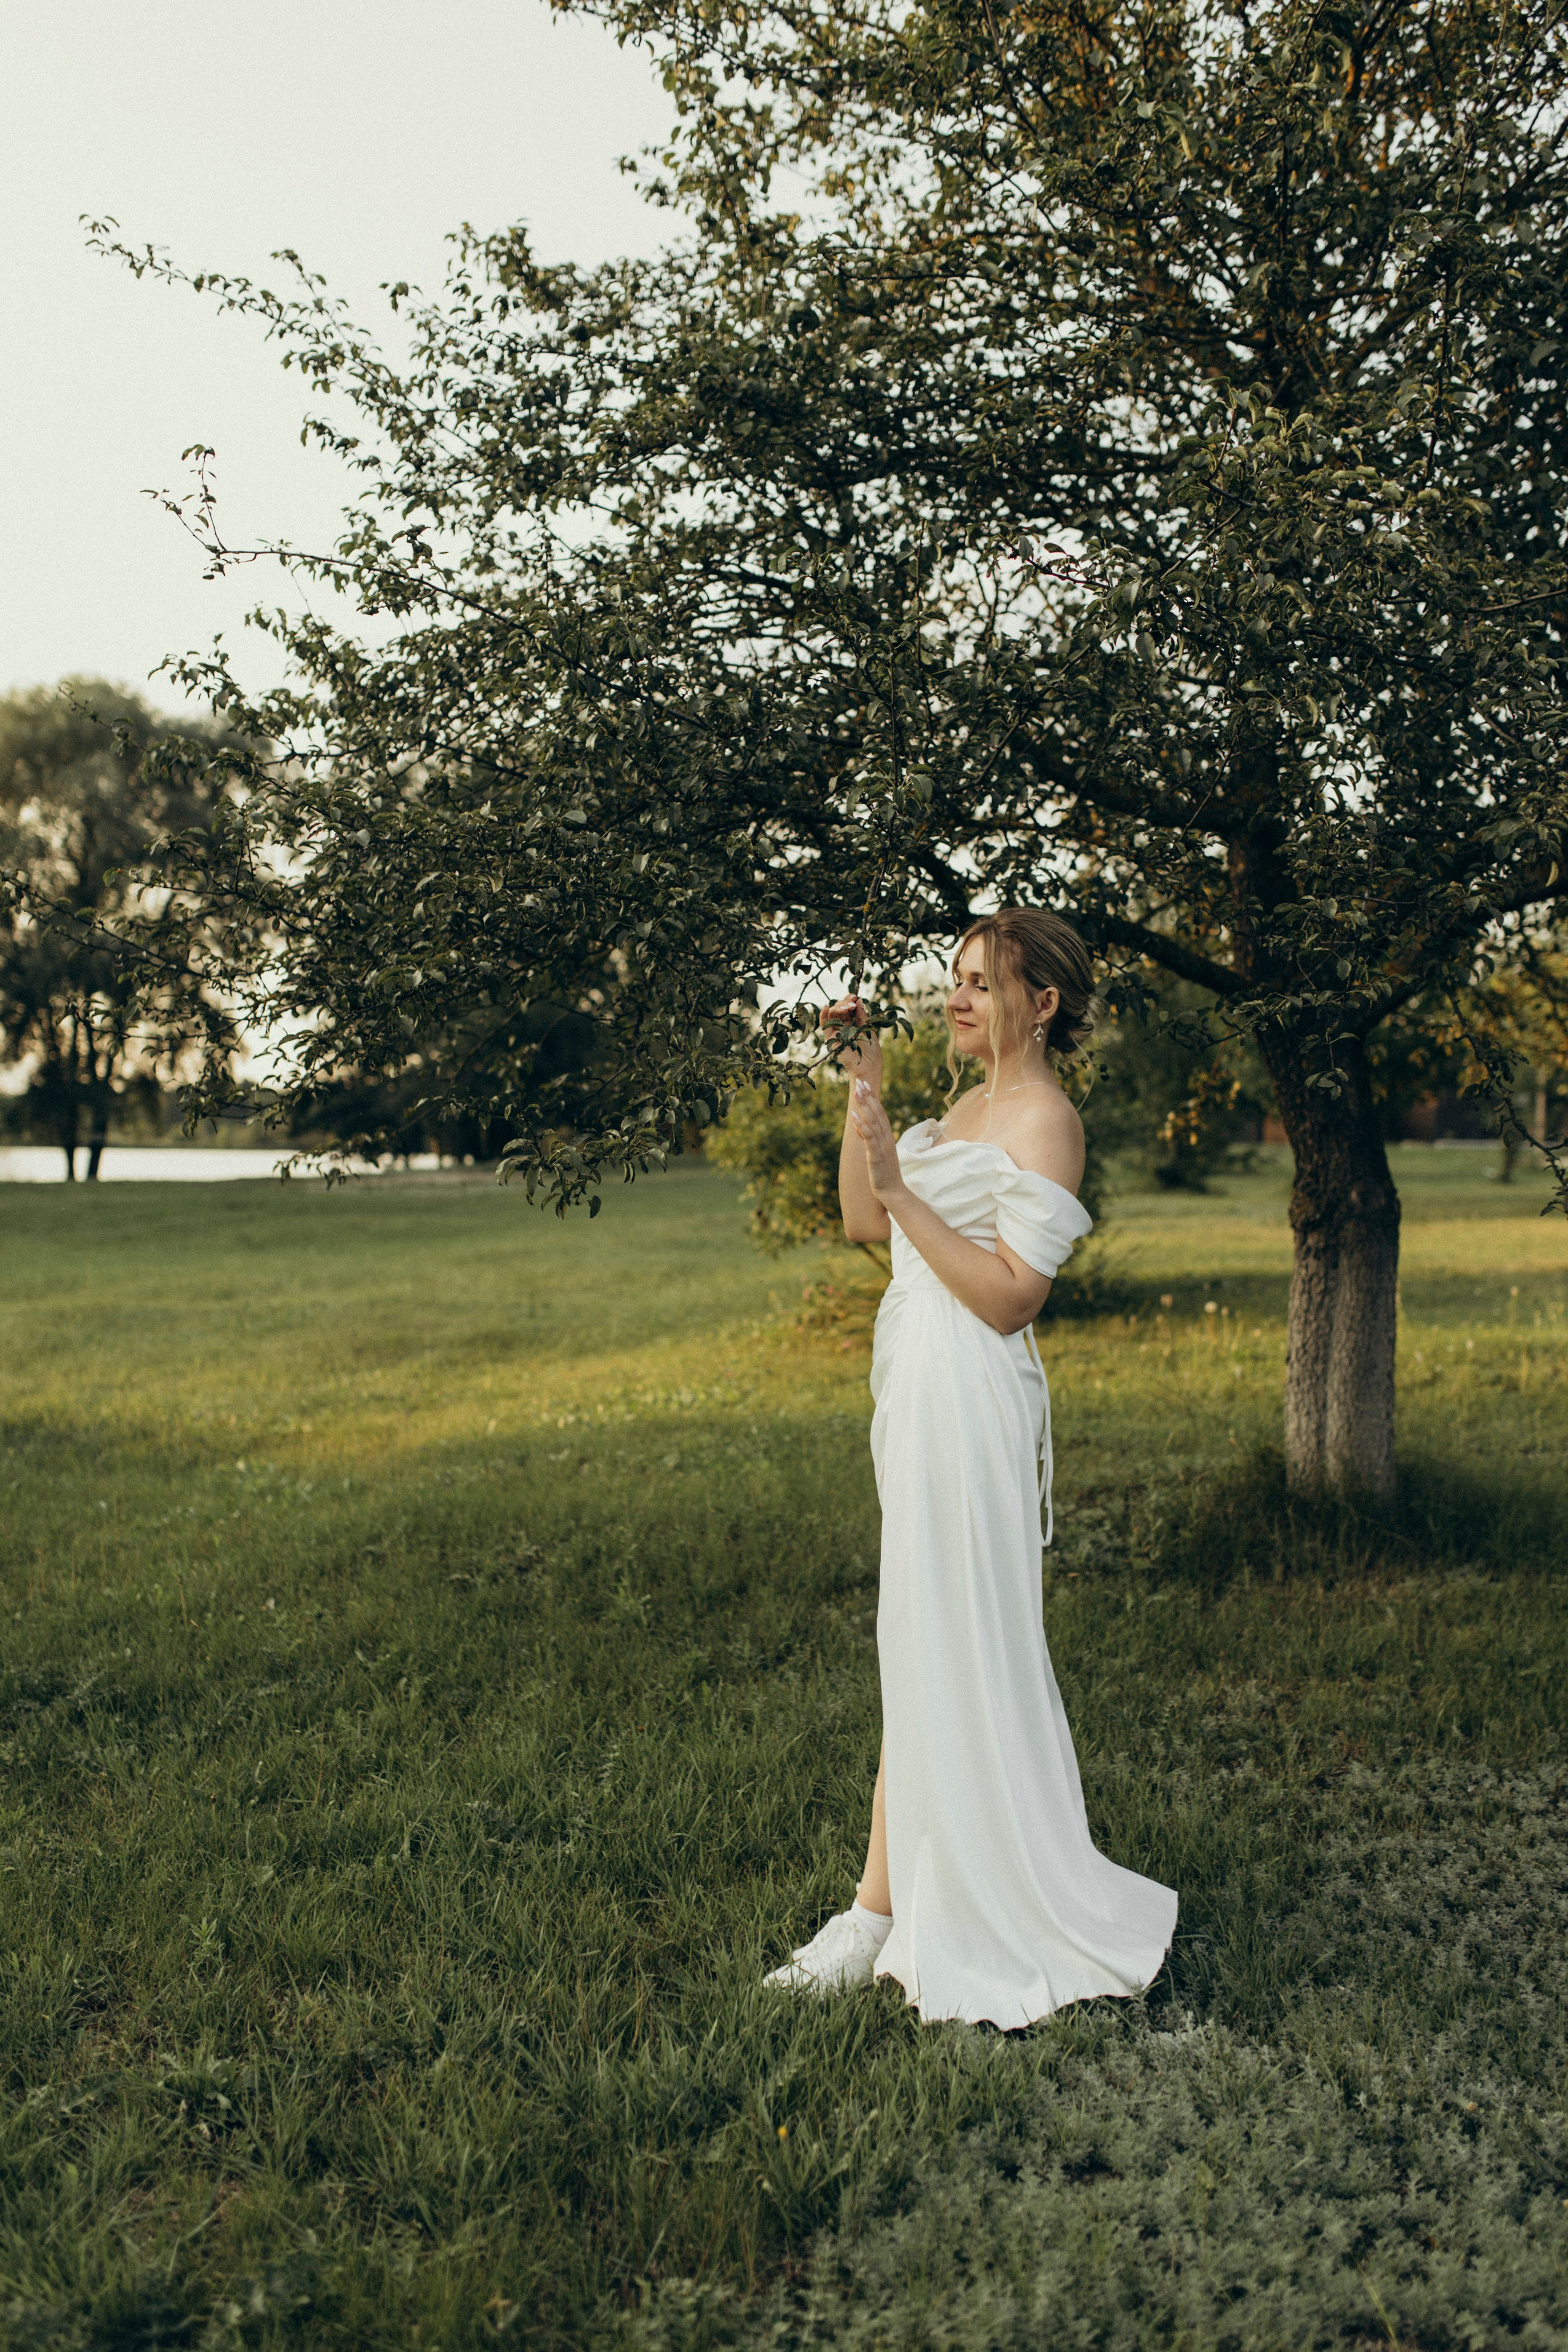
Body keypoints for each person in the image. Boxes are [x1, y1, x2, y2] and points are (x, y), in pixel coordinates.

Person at [764, 908, 1178, 2027]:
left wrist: (904, 1188)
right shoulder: (959, 1110)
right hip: (914, 1388)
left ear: (1043, 1003)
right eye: (955, 977)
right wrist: (866, 1099)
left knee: (944, 1631)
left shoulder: (1046, 1121)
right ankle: (881, 1905)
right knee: (918, 1636)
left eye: (984, 982)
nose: (956, 997)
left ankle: (881, 1912)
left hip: (970, 1394)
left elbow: (1009, 1298)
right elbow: (866, 1222)